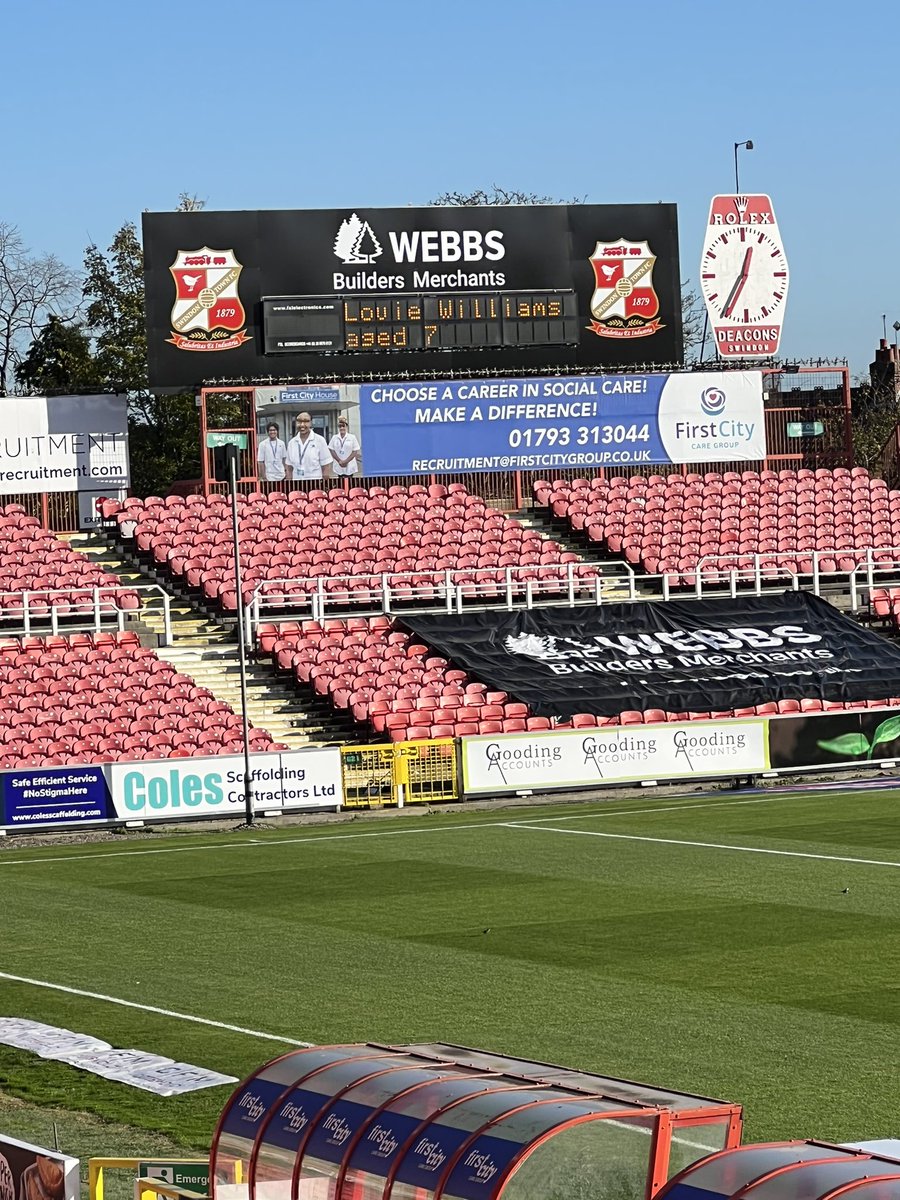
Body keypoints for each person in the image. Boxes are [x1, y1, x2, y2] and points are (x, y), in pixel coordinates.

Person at [286, 412, 333, 482]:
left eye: (306, 421)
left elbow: (326, 466)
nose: (302, 425)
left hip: (315, 484)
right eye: (299, 421)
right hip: (297, 483)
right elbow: (289, 467)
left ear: (311, 423)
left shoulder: (320, 440)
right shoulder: (291, 443)